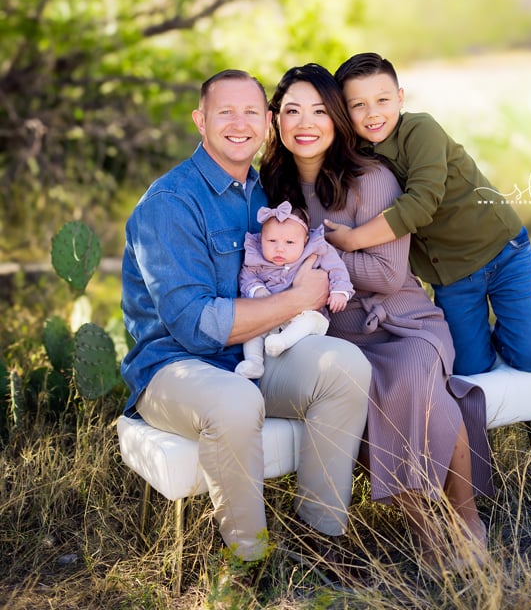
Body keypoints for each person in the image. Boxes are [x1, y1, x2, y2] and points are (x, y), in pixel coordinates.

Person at [120, 69, 371, 572]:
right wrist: (300, 298)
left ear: (267, 122)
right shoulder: (170, 204)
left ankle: (321, 538)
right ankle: (250, 563)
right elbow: (195, 325)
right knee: (234, 399)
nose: (240, 123)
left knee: (345, 364)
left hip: (250, 355)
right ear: (200, 120)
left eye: (252, 112)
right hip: (174, 367)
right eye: (225, 112)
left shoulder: (264, 197)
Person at [260, 63, 493, 572]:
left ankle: (467, 516)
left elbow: (387, 275)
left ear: (337, 119)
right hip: (335, 329)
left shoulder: (373, 179)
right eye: (292, 110)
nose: (306, 122)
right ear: (276, 120)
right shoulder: (271, 187)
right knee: (355, 390)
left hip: (403, 319)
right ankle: (426, 530)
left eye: (320, 110)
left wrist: (316, 258)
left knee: (413, 375)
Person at [326, 52, 531, 377]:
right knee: (469, 367)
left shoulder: (421, 130)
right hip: (452, 275)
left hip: (502, 252)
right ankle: (482, 345)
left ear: (400, 98)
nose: (372, 113)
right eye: (358, 105)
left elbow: (422, 203)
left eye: (382, 100)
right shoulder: (356, 156)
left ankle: (513, 338)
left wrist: (351, 240)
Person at [235, 201, 354, 379]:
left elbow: (337, 269)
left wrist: (340, 291)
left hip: (302, 313)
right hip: (268, 314)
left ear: (305, 241)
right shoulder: (256, 256)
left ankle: (282, 342)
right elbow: (246, 276)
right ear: (261, 240)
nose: (279, 248)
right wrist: (256, 289)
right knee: (252, 329)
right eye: (271, 241)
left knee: (311, 320)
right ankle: (254, 362)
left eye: (290, 242)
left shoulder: (317, 250)